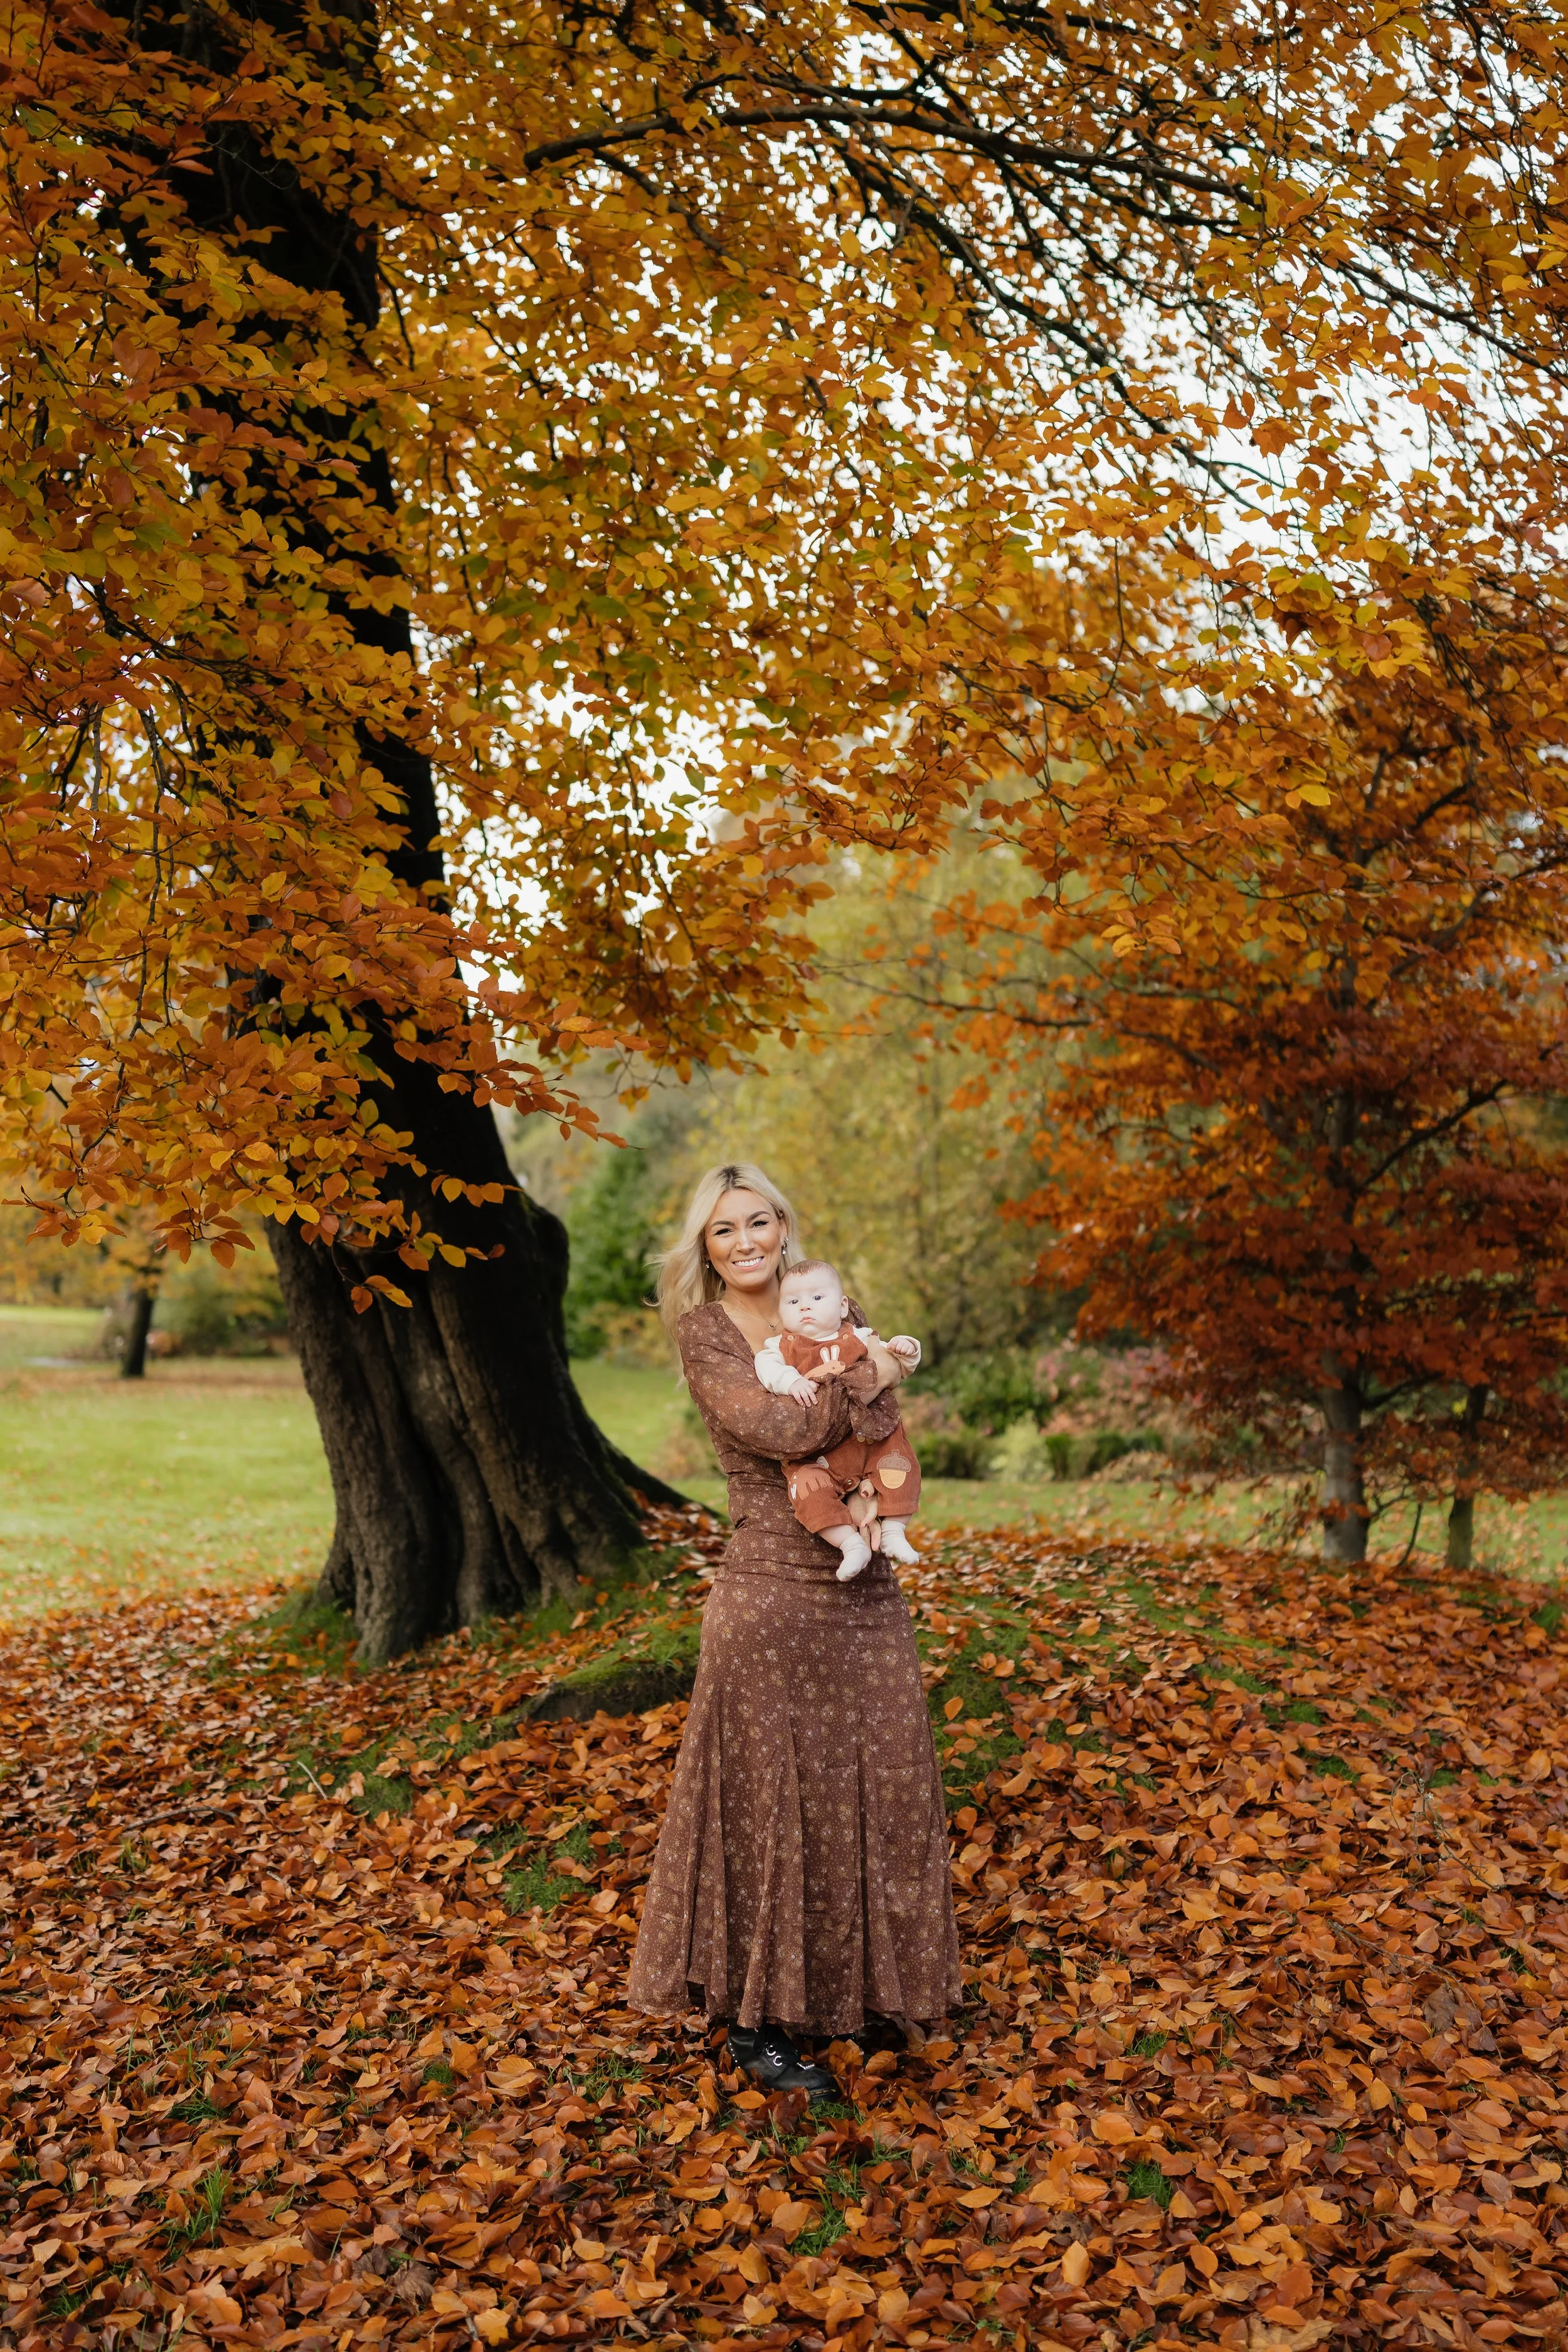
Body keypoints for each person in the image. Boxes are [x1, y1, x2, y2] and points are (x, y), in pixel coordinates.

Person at [625, 1163, 961, 2097]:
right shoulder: (707, 1333)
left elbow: (889, 1413)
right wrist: (864, 1374)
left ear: (783, 1227)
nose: (745, 1242)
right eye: (724, 1229)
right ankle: (758, 2025)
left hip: (864, 1582)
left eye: (759, 1222)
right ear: (705, 1246)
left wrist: (864, 1380)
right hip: (771, 1589)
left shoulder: (825, 1296)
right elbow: (777, 1429)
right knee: (771, 1799)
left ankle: (866, 1992)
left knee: (882, 1771)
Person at [753, 1256, 923, 1579]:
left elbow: (896, 1362)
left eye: (817, 1298)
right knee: (807, 1492)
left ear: (843, 1306)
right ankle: (850, 1546)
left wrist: (907, 1348)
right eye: (794, 1301)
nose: (806, 1307)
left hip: (873, 1439)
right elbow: (766, 1369)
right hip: (819, 1457)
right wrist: (790, 1381)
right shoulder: (780, 1347)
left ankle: (895, 1532)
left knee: (902, 1465)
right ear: (782, 1312)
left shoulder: (859, 1337)